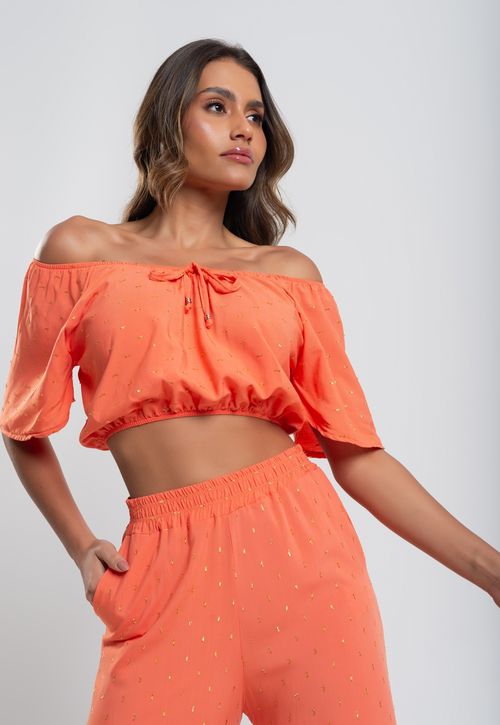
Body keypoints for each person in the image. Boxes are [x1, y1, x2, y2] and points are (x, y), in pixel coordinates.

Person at [1, 38, 498, 725]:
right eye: (218, 106)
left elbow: (357, 454)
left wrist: (489, 569)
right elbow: (21, 423)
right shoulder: (78, 253)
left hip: (304, 560)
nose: (243, 129)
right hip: (163, 572)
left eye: (256, 116)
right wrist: (82, 546)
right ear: (167, 118)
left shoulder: (289, 276)